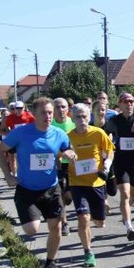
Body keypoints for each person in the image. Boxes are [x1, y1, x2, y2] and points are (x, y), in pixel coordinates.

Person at [0, 97, 75, 268]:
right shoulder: (21, 133)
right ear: (34, 114)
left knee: (56, 227)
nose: (48, 116)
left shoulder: (59, 134)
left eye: (50, 112)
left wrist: (69, 153)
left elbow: (66, 149)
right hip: (27, 189)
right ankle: (29, 213)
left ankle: (50, 263)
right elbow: (1, 148)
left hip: (51, 187)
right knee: (31, 230)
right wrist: (8, 175)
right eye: (44, 112)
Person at [67, 103, 115, 267]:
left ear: (90, 117)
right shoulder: (68, 136)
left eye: (85, 116)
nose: (82, 120)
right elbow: (59, 156)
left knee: (99, 223)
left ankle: (100, 213)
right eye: (78, 117)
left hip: (97, 182)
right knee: (83, 218)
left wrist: (107, 166)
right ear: (72, 118)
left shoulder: (98, 133)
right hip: (77, 183)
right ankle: (88, 252)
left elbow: (110, 150)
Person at [106, 93, 134, 241]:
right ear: (119, 105)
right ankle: (129, 227)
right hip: (120, 160)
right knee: (125, 195)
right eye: (125, 102)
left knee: (132, 194)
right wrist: (109, 143)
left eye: (132, 101)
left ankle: (126, 212)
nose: (129, 104)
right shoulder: (114, 120)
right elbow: (105, 135)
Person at [51, 98, 76, 237]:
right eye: (58, 107)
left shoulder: (73, 124)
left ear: (68, 109)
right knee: (60, 194)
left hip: (72, 164)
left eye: (63, 107)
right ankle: (65, 223)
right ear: (53, 110)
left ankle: (68, 197)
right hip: (57, 164)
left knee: (68, 197)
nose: (61, 110)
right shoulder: (50, 125)